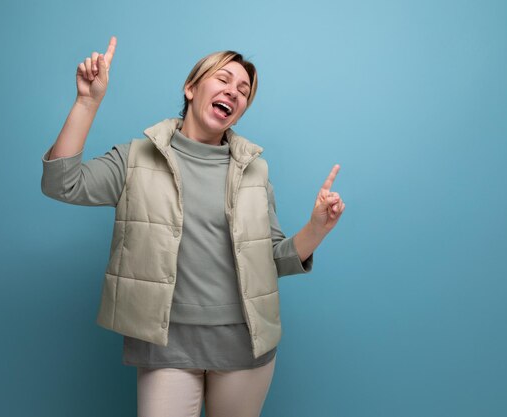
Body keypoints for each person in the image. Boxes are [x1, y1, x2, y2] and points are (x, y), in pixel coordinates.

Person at [41, 36, 345, 417]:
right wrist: (88, 102)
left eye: (243, 90)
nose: (233, 92)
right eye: (223, 79)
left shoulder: (255, 170)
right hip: (166, 341)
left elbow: (273, 260)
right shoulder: (135, 158)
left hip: (244, 344)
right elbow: (61, 183)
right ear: (191, 88)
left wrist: (318, 227)